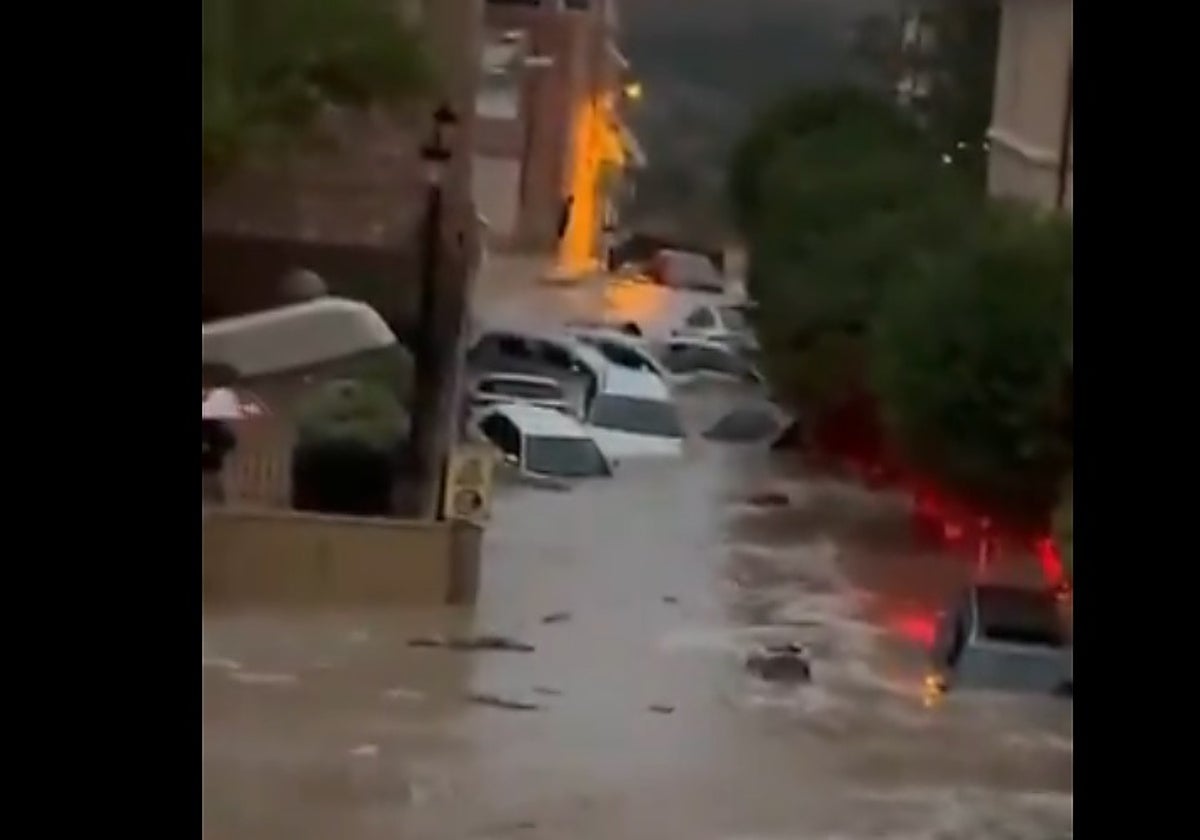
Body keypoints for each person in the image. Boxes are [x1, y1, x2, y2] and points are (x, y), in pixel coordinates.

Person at [201, 417, 236, 503]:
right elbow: (231, 442)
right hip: (214, 464)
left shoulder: (213, 427)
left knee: (212, 485)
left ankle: (217, 504)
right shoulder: (220, 426)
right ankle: (218, 504)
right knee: (215, 488)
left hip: (210, 463)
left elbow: (230, 442)